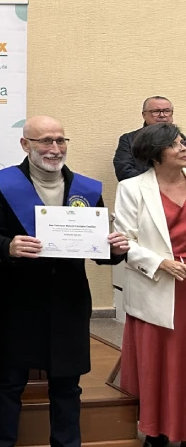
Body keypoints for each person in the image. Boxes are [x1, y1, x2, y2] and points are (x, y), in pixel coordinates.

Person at [0, 115, 129, 447]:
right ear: (25, 144)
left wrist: (115, 249)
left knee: (66, 386)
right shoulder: (0, 185)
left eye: (60, 140)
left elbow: (100, 249)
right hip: (19, 300)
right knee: (9, 382)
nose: (54, 148)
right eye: (45, 140)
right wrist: (8, 245)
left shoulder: (86, 190)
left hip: (68, 300)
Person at [115, 123, 186, 447]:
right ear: (156, 155)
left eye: (182, 140)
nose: (183, 146)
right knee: (160, 365)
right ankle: (156, 432)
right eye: (175, 144)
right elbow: (124, 242)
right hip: (158, 285)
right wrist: (160, 262)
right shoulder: (132, 188)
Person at [115, 96, 174, 181]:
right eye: (156, 111)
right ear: (144, 115)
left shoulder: (181, 140)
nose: (162, 115)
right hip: (141, 190)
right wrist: (156, 183)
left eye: (167, 111)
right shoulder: (129, 139)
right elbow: (123, 170)